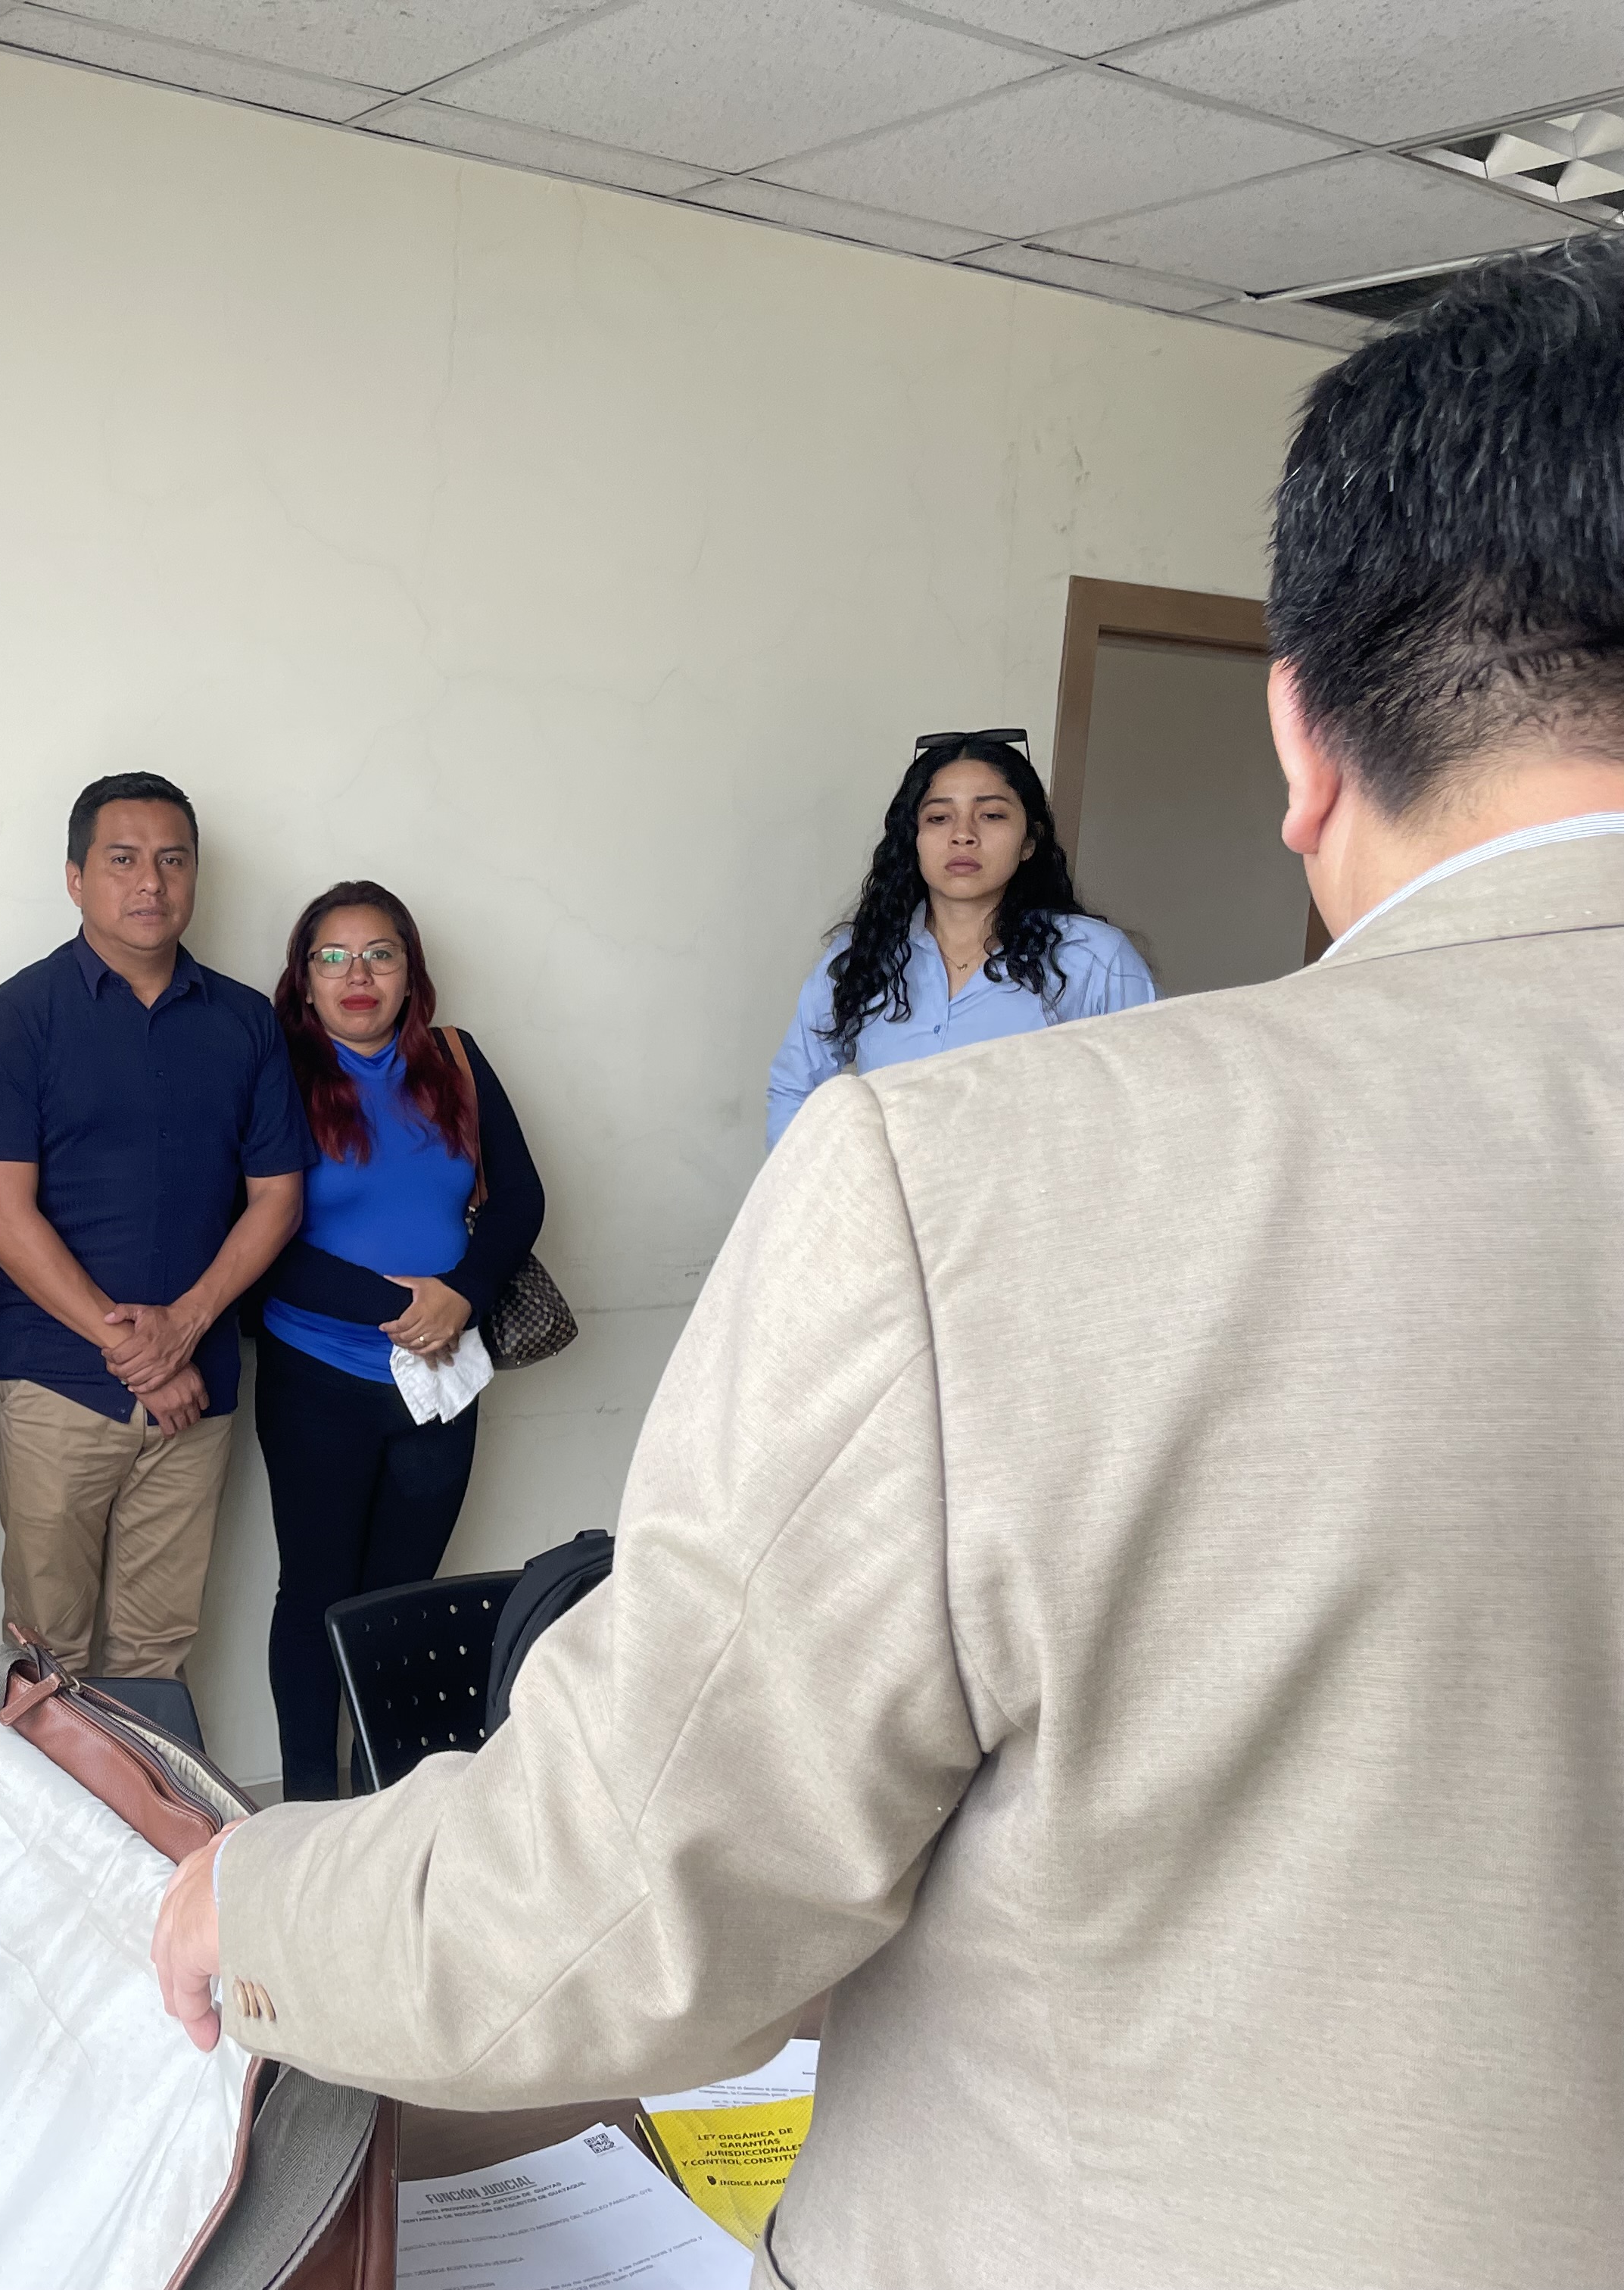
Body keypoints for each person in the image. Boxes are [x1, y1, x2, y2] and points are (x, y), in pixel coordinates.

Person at [156, 237, 1624, 2288]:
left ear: (1299, 745)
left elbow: (636, 1897)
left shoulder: (989, 1152)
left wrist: (251, 1905)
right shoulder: (858, 1023)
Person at [0, 773, 308, 1685]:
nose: (151, 882)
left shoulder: (245, 1021)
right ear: (76, 878)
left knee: (158, 1655)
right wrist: (137, 1350)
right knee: (45, 1658)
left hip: (197, 1390)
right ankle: (43, 1793)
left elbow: (278, 1197)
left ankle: (147, 1792)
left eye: (172, 860)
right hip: (56, 1385)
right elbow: (2, 1215)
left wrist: (184, 1327)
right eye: (123, 860)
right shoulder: (15, 1019)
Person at [250, 882, 544, 1799]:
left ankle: (393, 1802)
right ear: (303, 979)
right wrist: (402, 1306)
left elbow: (521, 1198)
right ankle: (308, 1809)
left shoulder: (454, 1060)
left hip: (442, 1381)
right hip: (317, 1379)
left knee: (404, 1601)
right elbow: (254, 1238)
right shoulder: (276, 1071)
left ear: (411, 973)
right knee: (317, 1594)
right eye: (332, 958)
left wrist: (462, 1297)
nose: (358, 975)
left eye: (380, 954)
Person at [765, 732, 1152, 1146]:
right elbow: (794, 1089)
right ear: (913, 838)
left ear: (1029, 841)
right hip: (894, 1188)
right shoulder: (861, 954)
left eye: (992, 815)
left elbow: (1151, 1101)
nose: (963, 835)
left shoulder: (1093, 956)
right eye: (938, 818)